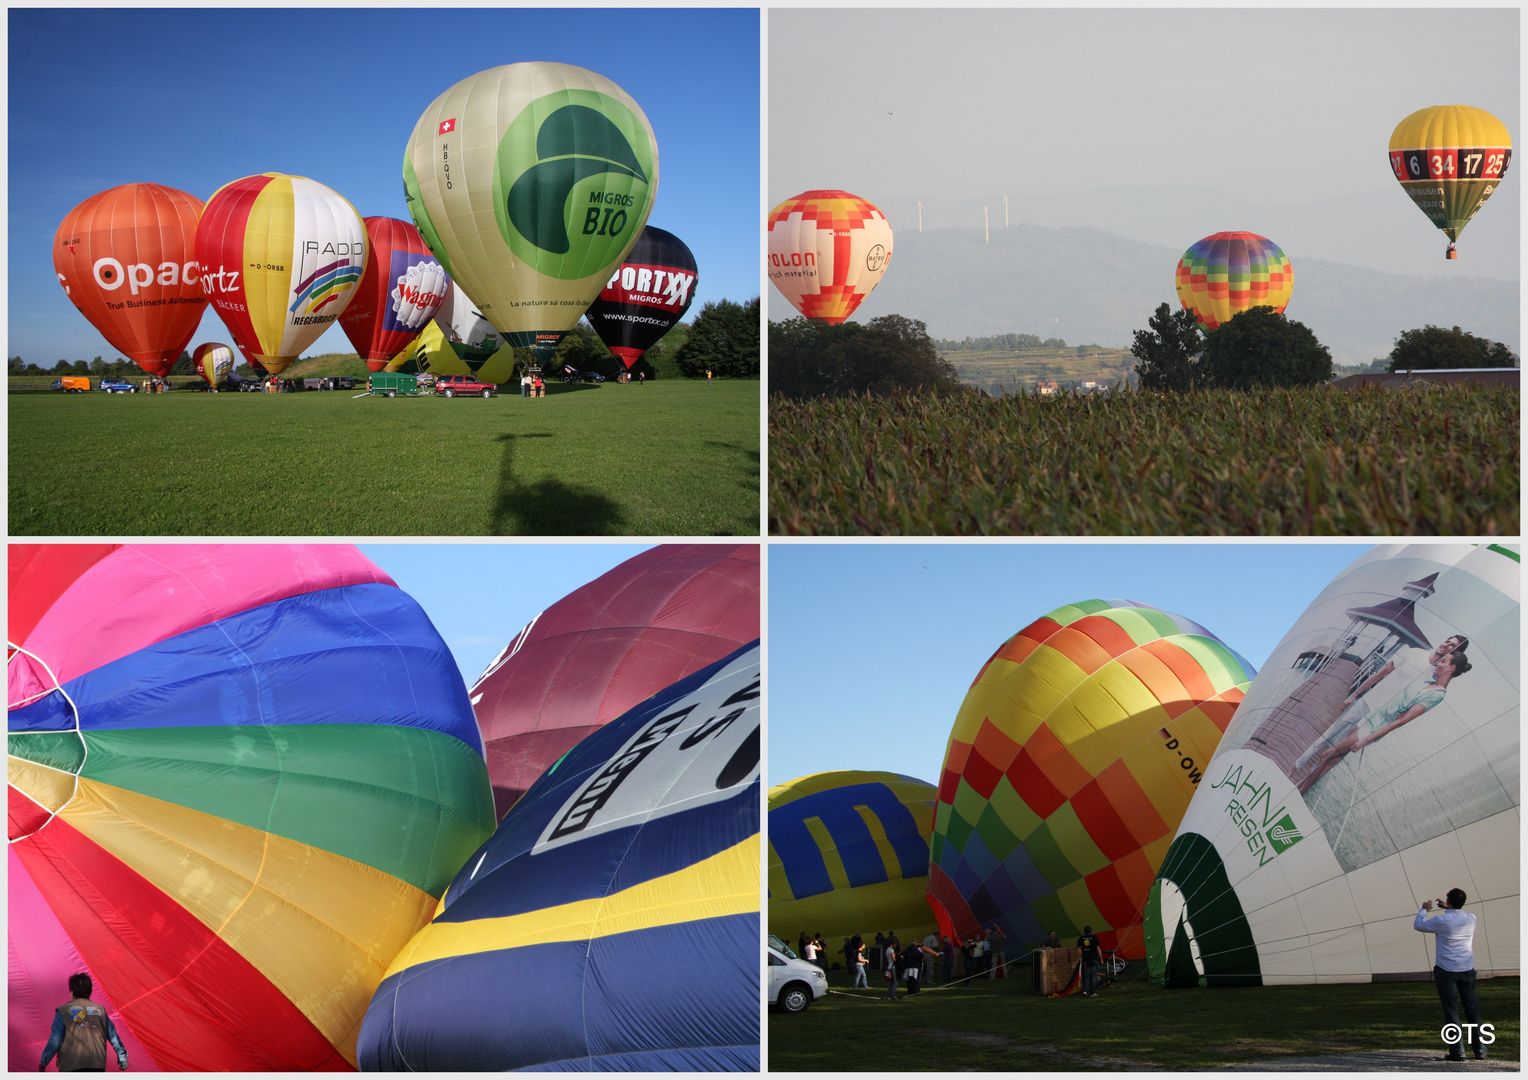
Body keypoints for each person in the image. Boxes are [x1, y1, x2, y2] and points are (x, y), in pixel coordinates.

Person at [1299, 650, 1470, 794]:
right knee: (1331, 759)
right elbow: (1403, 702)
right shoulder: (1427, 683)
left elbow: (1400, 722)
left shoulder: (1437, 694)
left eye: (1444, 661)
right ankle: (1303, 789)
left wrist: (1366, 739)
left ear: (1451, 668)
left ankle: (1300, 790)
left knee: (1327, 754)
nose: (1438, 663)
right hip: (1372, 716)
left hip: (1375, 727)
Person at [1416, 890, 1486, 1060]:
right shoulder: (1471, 918)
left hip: (1447, 970)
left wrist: (1424, 909)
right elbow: (1456, 917)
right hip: (1467, 969)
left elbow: (1419, 925)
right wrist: (1448, 907)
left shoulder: (1441, 920)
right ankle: (1480, 1050)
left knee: (1451, 1010)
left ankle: (1457, 1051)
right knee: (1472, 1010)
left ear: (1448, 900)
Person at [38, 973, 128, 1072]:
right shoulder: (100, 1010)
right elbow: (112, 1035)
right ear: (90, 991)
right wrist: (122, 1057)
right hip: (97, 1066)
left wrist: (43, 1062)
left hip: (71, 1066)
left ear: (72, 992)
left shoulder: (64, 1011)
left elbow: (55, 1040)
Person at [1077, 925, 1103, 997]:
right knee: (1093, 976)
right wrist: (1101, 959)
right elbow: (1098, 949)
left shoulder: (1082, 938)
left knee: (1087, 976)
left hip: (1086, 960)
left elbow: (1076, 946)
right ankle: (1092, 992)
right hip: (1094, 959)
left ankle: (1084, 991)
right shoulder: (1094, 938)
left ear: (1084, 931)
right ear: (1091, 931)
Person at [883, 935, 900, 1000]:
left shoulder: (887, 949)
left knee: (891, 982)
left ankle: (890, 994)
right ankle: (892, 995)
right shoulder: (891, 950)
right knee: (895, 982)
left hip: (889, 967)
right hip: (892, 967)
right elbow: (894, 959)